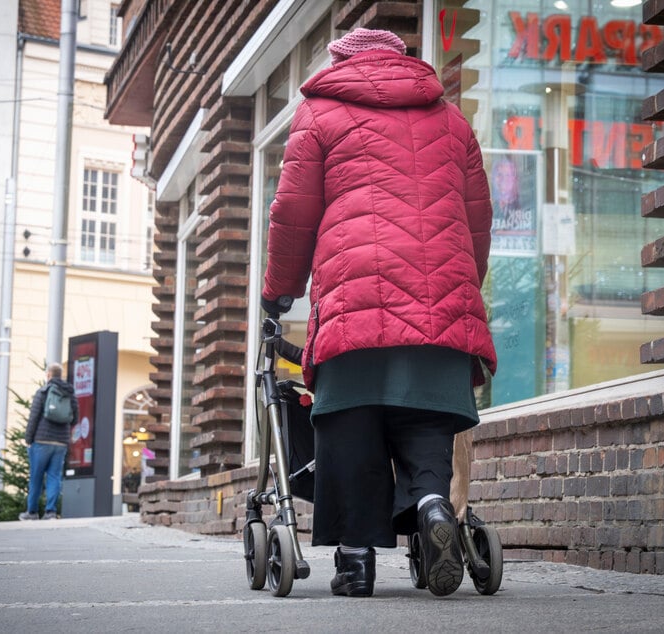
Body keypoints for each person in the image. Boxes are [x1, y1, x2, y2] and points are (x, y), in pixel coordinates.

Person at [261, 28, 497, 598]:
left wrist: (279, 292)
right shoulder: (452, 121)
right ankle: (434, 505)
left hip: (353, 305)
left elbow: (293, 214)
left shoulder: (319, 114)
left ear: (341, 62)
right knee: (425, 425)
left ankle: (356, 563)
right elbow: (477, 221)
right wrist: (459, 290)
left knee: (351, 430)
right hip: (440, 304)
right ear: (401, 61)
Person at [19, 363, 78, 521]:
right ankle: (50, 512)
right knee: (54, 476)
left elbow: (34, 417)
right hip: (60, 443)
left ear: (48, 375)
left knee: (36, 477)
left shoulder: (43, 392)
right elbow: (75, 418)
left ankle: (31, 512)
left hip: (41, 440)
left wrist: (28, 438)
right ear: (60, 374)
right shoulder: (70, 393)